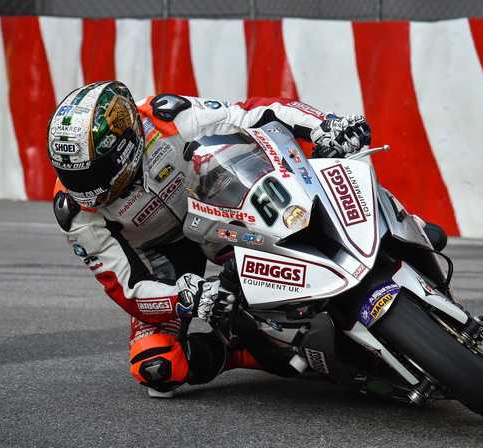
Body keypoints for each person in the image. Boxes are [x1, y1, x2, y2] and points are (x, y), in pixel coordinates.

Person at [46, 80, 372, 397]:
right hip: (162, 255)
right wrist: (186, 297)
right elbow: (127, 288)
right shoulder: (75, 211)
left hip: (216, 206)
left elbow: (252, 113)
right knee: (156, 366)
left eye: (90, 173)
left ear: (125, 145)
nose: (82, 186)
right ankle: (242, 353)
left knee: (308, 203)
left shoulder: (167, 119)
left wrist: (324, 125)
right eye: (70, 174)